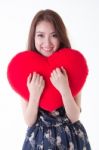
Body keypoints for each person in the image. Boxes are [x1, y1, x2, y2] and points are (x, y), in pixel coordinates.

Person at [21, 9, 91, 150]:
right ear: (33, 37)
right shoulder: (25, 69)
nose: (47, 42)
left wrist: (64, 88)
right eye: (40, 35)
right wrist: (34, 95)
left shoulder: (72, 67)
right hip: (39, 140)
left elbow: (74, 116)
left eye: (54, 35)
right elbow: (29, 120)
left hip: (71, 138)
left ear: (61, 37)